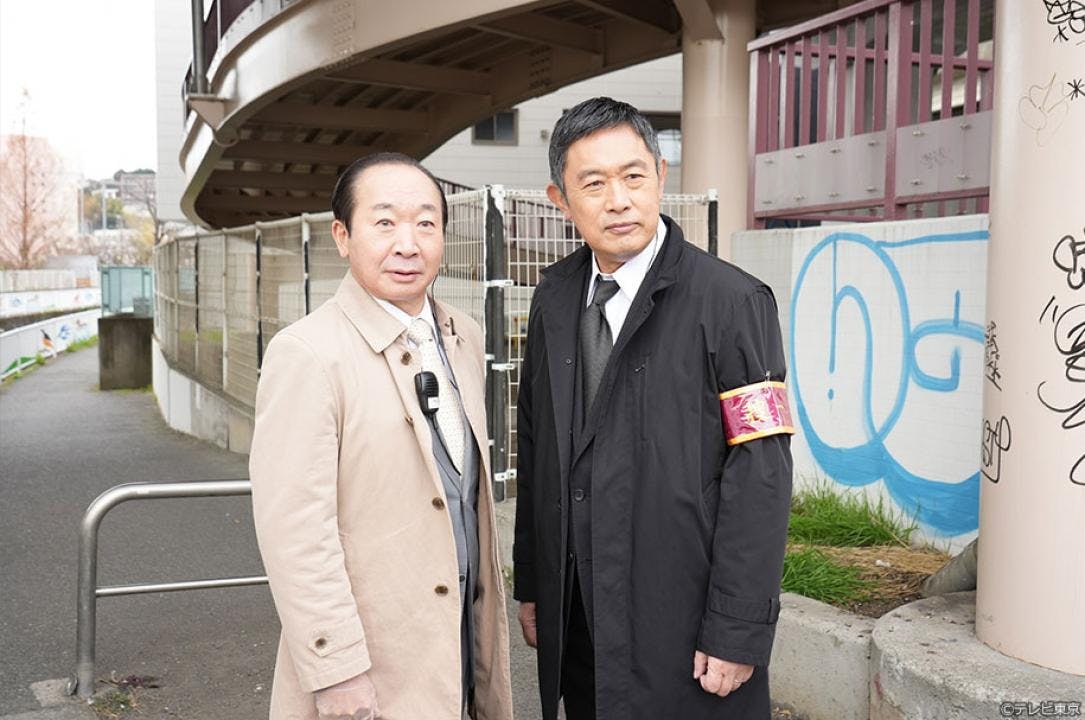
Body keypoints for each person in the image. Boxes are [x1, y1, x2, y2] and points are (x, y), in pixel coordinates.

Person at [513, 97, 794, 720]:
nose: (619, 200)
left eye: (634, 176)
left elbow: (762, 474)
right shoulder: (554, 298)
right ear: (560, 199)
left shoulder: (733, 302)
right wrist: (534, 584)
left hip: (684, 624)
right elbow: (536, 446)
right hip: (578, 615)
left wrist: (738, 628)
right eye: (594, 183)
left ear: (661, 178)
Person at [249, 152, 513, 720]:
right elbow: (295, 531)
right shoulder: (307, 353)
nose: (407, 244)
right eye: (385, 222)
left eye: (426, 223)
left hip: (459, 644)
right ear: (342, 237)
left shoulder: (462, 336)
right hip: (371, 663)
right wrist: (336, 669)